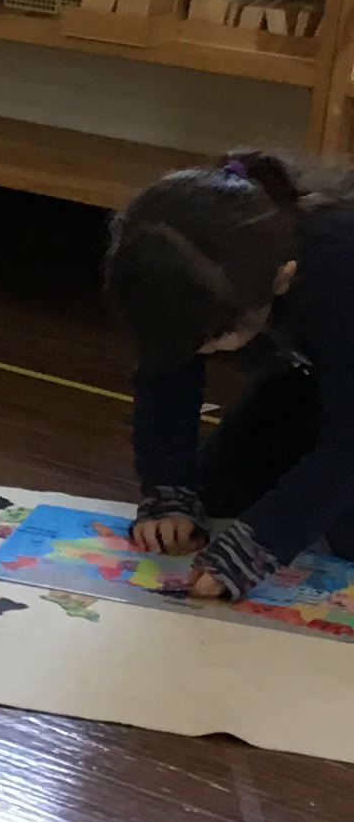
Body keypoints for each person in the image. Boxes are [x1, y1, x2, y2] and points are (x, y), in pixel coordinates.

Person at [106, 147, 354, 601]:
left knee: (344, 534)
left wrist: (261, 545)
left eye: (214, 338)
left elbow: (348, 448)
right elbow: (165, 377)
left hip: (340, 368)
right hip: (313, 377)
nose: (199, 352)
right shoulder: (199, 262)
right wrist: (168, 486)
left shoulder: (338, 274)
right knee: (212, 499)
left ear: (282, 279)